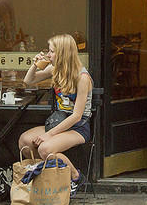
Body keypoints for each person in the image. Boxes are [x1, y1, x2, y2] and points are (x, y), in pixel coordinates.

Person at [18, 34, 92, 198]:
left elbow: (77, 116)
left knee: (46, 149)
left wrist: (48, 135)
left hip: (78, 127)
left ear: (63, 54)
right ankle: (46, 174)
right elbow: (28, 81)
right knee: (25, 141)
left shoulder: (82, 78)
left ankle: (76, 177)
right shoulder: (55, 69)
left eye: (51, 51)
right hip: (57, 122)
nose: (48, 54)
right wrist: (35, 65)